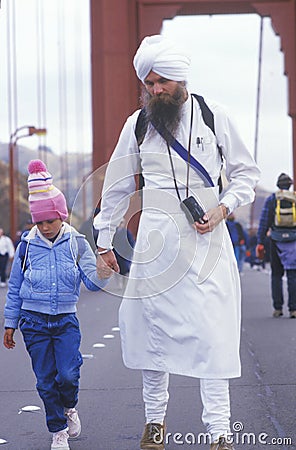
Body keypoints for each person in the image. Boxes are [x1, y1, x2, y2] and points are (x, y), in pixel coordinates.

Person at [94, 35, 260, 450]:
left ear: (180, 78)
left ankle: (220, 430)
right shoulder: (136, 124)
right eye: (148, 84)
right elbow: (115, 187)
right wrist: (103, 241)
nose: (154, 91)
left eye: (161, 82)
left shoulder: (214, 116)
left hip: (208, 239)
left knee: (214, 333)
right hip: (155, 241)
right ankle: (154, 423)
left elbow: (246, 175)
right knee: (154, 333)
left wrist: (223, 209)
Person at [3, 160, 112, 450]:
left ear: (61, 216)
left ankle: (69, 406)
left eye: (50, 220)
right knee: (45, 381)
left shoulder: (77, 243)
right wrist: (10, 324)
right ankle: (58, 430)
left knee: (67, 375)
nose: (45, 226)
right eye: (39, 222)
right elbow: (14, 288)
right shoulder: (26, 246)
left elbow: (92, 282)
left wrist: (103, 272)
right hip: (34, 322)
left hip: (65, 322)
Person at [256, 173, 296, 318]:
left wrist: (260, 241)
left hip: (275, 240)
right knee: (293, 275)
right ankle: (293, 309)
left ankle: (278, 308)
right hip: (293, 241)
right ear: (290, 185)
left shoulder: (272, 200)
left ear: (278, 185)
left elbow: (264, 222)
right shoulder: (294, 198)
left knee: (276, 275)